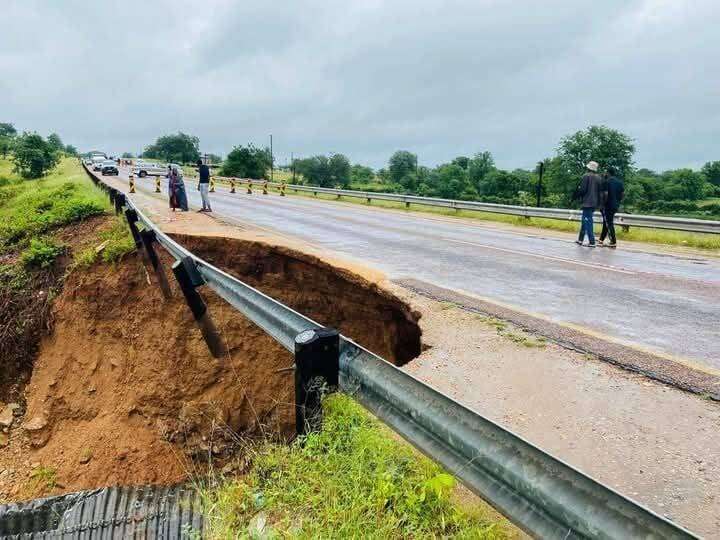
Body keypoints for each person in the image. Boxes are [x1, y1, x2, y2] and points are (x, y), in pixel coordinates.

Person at [575, 161, 605, 247]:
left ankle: (592, 241)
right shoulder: (599, 178)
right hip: (595, 203)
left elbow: (583, 190)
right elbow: (600, 192)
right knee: (586, 220)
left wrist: (579, 195)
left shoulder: (586, 176)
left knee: (588, 221)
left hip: (587, 202)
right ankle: (580, 239)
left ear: (588, 168)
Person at [599, 167, 624, 248]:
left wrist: (602, 204)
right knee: (606, 222)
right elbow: (622, 194)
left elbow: (605, 194)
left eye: (606, 172)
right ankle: (601, 239)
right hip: (615, 205)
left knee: (609, 223)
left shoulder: (606, 182)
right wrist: (617, 201)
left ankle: (613, 241)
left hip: (608, 205)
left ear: (608, 173)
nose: (605, 173)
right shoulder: (620, 182)